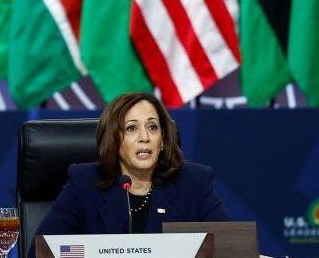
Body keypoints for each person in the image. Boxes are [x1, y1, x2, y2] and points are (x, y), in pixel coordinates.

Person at [29, 92, 231, 256]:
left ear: (162, 140)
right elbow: (41, 253)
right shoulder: (85, 183)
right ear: (114, 140)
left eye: (152, 127)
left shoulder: (193, 182)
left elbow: (232, 248)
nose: (144, 137)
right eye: (131, 128)